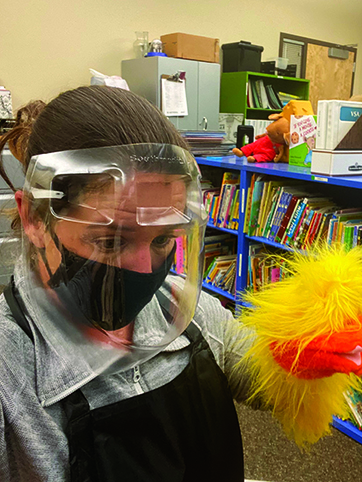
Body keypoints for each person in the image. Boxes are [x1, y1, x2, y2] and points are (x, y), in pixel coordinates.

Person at [0, 86, 254, 482]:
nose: (143, 269)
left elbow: (262, 371)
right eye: (110, 241)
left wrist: (309, 348)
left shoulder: (183, 309)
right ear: (34, 218)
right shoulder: (9, 368)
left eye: (162, 239)